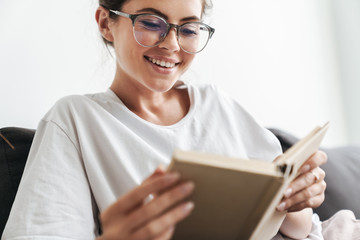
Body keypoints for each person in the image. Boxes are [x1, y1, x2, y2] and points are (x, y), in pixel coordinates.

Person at [2, 0, 328, 239]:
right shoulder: (75, 120)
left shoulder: (219, 105)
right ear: (105, 22)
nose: (171, 44)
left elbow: (300, 229)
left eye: (188, 29)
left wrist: (298, 198)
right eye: (150, 22)